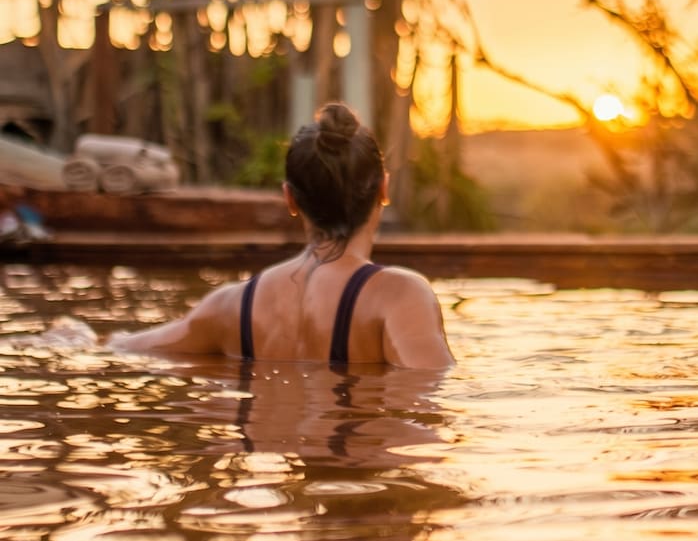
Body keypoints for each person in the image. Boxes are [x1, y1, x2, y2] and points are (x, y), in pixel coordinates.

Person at [110, 103, 454, 368]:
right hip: (358, 454)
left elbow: (127, 346)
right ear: (383, 188)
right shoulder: (398, 297)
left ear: (290, 198)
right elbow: (433, 410)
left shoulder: (231, 305)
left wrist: (79, 336)